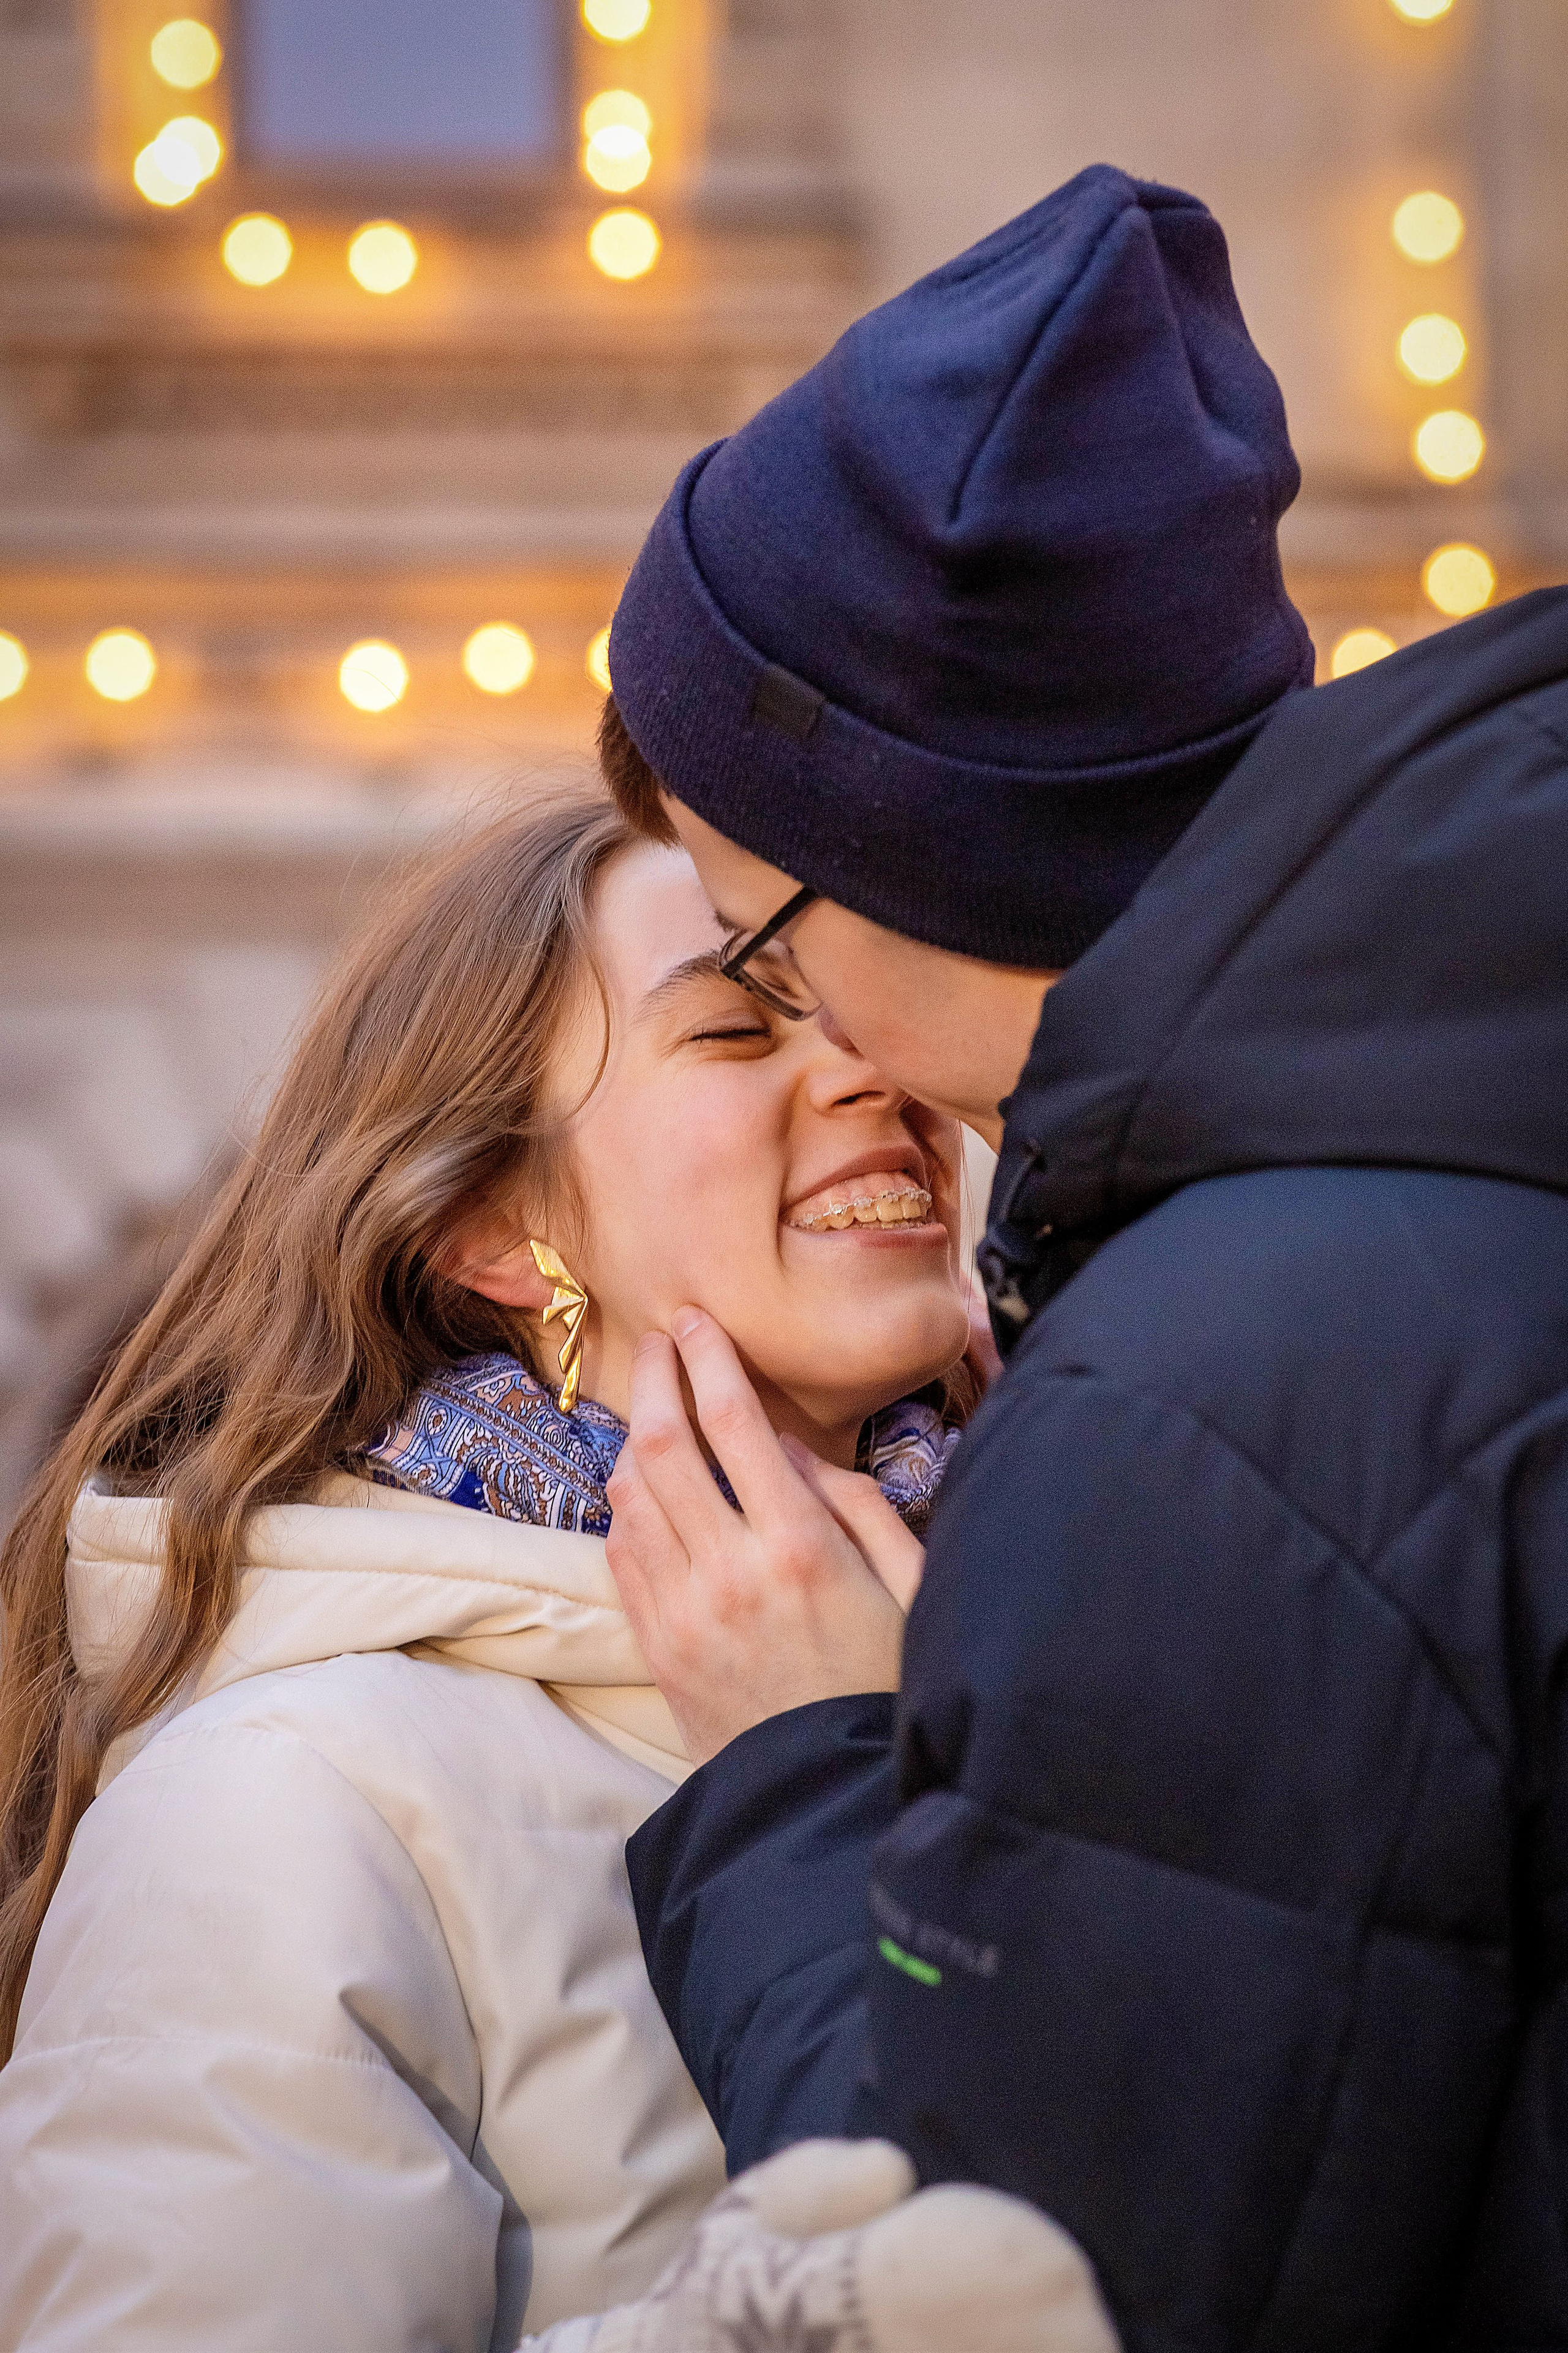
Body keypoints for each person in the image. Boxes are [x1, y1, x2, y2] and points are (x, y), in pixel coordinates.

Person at [576, 164, 1568, 2348]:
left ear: (927, 851)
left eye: (762, 945)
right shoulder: (1456, 1129)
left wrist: (810, 1767)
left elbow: (1031, 2291)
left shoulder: (1206, 1400)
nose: (829, 1053)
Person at [0, 789, 990, 2350]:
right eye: (734, 1028)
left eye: (866, 999)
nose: (871, 1065)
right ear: (494, 1231)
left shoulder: (1075, 1637)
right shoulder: (289, 1799)